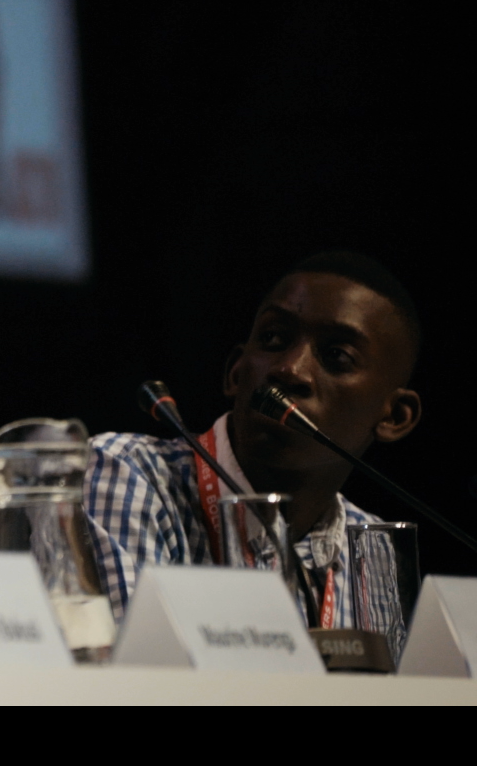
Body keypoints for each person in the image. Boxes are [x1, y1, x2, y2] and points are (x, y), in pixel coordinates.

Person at [85, 251, 422, 627]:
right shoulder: (129, 474)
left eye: (336, 356)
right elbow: (134, 664)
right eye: (274, 338)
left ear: (394, 417)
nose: (290, 370)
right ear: (236, 372)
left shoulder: (373, 548)